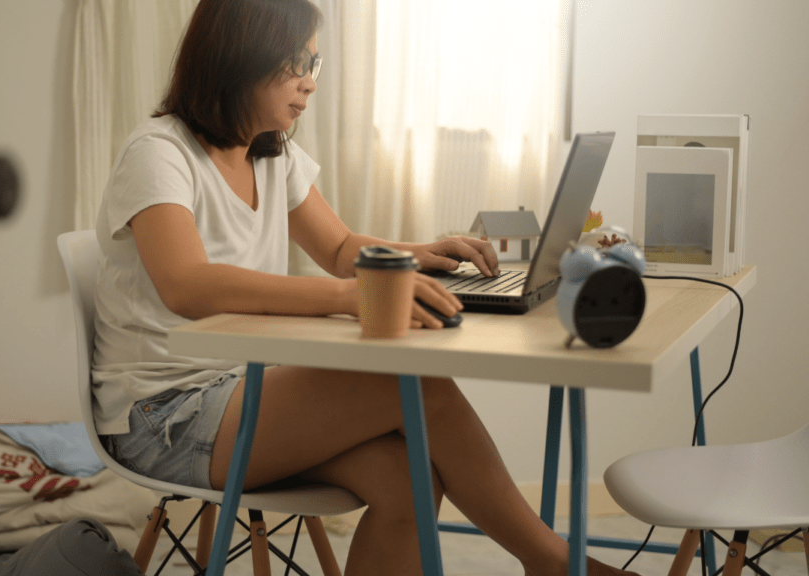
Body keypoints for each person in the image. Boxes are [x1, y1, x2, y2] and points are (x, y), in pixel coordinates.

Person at [92, 1, 639, 575]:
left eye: (314, 63)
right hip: (164, 415)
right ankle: (552, 562)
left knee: (412, 482)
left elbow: (337, 249)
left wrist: (418, 253)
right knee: (415, 383)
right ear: (239, 56)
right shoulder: (159, 152)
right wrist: (352, 297)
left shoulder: (272, 154)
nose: (308, 82)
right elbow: (187, 285)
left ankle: (549, 561)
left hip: (237, 390)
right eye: (295, 62)